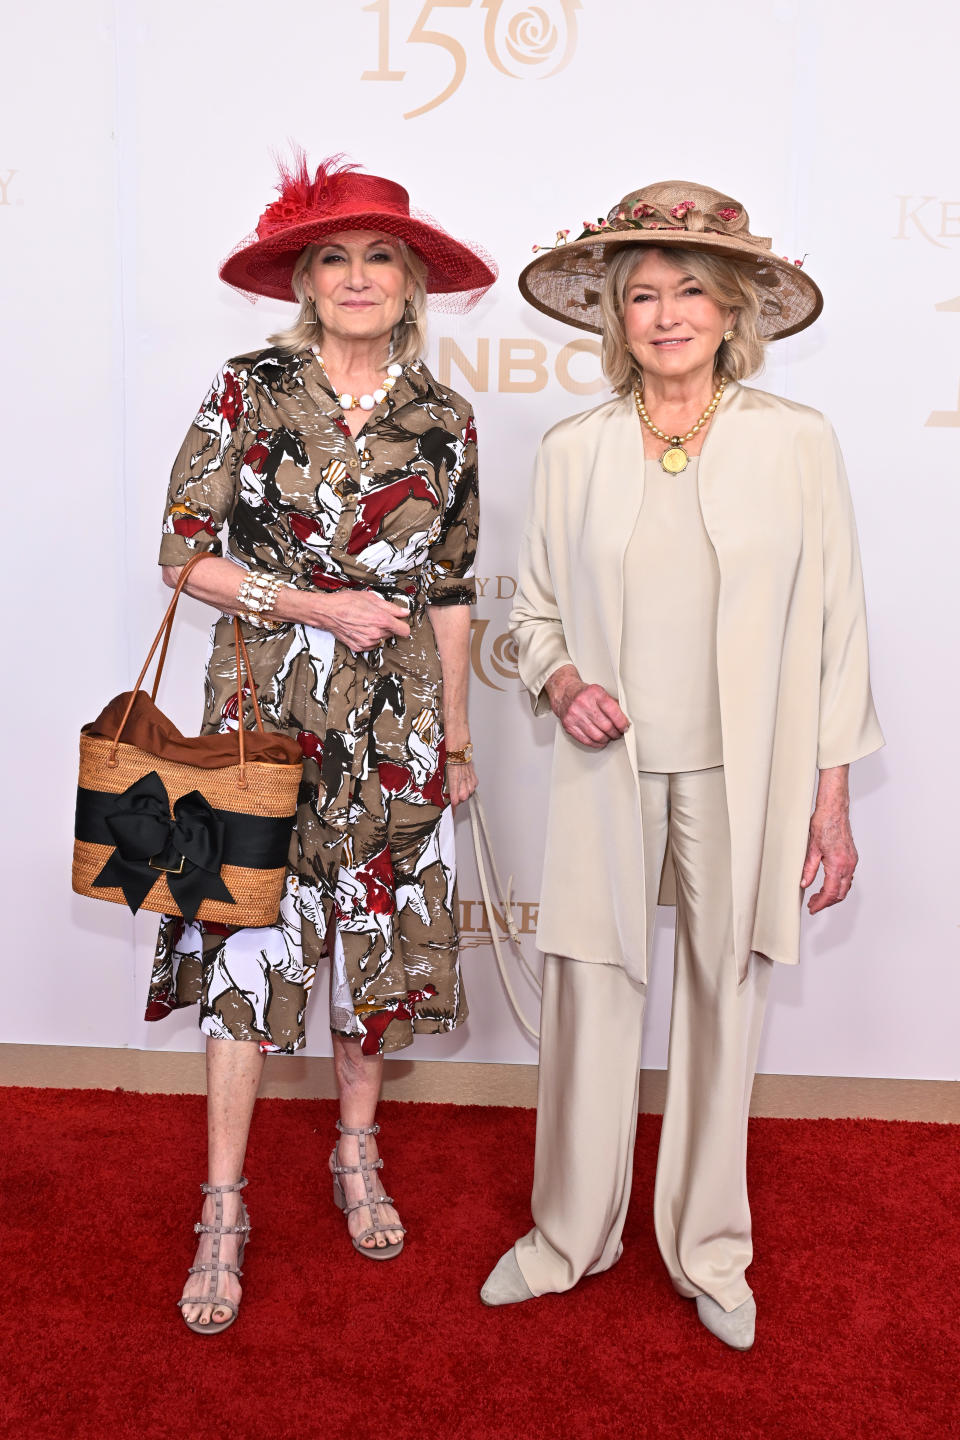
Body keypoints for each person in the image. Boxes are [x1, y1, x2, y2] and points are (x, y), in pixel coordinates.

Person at [481, 181, 882, 1350]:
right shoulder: (573, 450)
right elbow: (533, 622)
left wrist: (831, 797)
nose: (666, 315)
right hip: (610, 763)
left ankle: (711, 1249)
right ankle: (568, 1237)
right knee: (591, 989)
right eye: (643, 294)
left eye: (690, 292)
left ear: (733, 309)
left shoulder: (798, 444)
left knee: (726, 997)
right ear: (615, 317)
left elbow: (836, 627)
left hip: (743, 774)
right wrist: (562, 684)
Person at [147, 153, 495, 1332]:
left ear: (411, 282)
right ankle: (223, 1206)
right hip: (261, 716)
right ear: (306, 277)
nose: (357, 276)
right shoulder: (248, 389)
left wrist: (454, 732)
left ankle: (357, 1152)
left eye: (379, 256)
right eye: (334, 257)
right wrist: (313, 606)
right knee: (246, 957)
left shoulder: (445, 423)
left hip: (395, 726)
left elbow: (449, 592)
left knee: (373, 958)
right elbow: (181, 555)